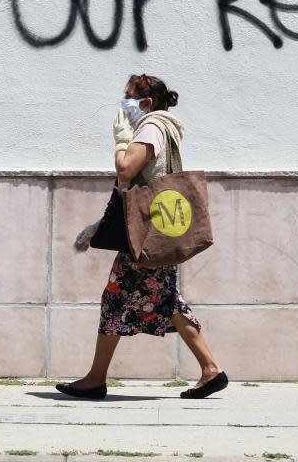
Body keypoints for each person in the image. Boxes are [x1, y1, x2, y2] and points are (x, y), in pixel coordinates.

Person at [55, 74, 228, 400]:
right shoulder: (164, 128)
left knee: (118, 299)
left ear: (146, 103)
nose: (124, 104)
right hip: (154, 234)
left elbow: (126, 169)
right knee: (163, 300)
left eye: (128, 98)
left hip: (147, 237)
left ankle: (95, 379)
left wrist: (121, 138)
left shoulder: (150, 128)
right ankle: (210, 369)